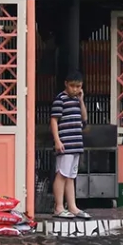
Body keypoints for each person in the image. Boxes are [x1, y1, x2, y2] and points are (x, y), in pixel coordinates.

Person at [50, 72, 91, 219]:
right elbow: (54, 120)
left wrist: (81, 100)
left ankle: (72, 206)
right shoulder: (60, 99)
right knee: (62, 174)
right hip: (65, 144)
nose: (75, 89)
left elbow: (84, 118)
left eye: (78, 86)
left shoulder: (76, 100)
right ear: (66, 83)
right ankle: (59, 207)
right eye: (73, 86)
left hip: (76, 143)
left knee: (71, 176)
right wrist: (57, 140)